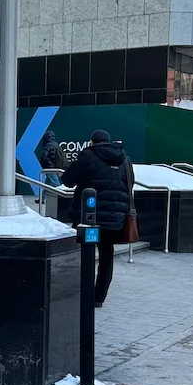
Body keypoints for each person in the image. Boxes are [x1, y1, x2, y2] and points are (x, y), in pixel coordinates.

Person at [61, 129, 134, 308]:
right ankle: (98, 297)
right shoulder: (124, 159)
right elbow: (130, 183)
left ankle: (81, 292)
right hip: (115, 217)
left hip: (88, 217)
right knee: (106, 255)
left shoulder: (88, 156)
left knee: (80, 253)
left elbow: (67, 180)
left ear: (92, 142)